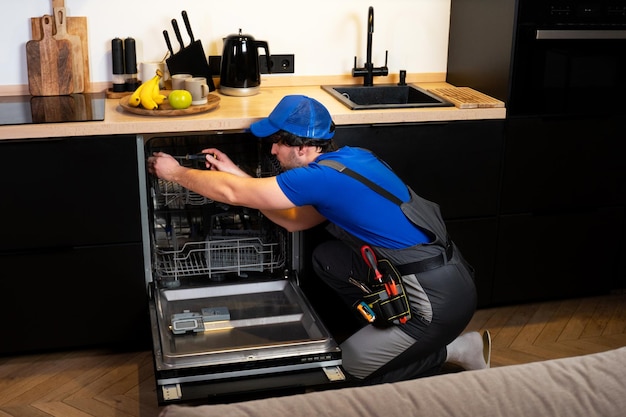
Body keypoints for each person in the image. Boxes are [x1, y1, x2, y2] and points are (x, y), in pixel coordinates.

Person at [147, 94, 491, 384]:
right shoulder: (351, 160)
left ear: (304, 147)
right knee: (329, 258)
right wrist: (237, 174)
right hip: (450, 279)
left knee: (350, 369)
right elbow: (295, 221)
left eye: (279, 142)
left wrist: (174, 172)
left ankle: (455, 350)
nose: (272, 150)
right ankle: (391, 335)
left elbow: (235, 195)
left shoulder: (319, 180)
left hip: (434, 302)